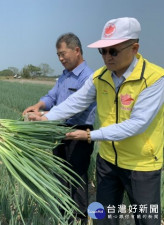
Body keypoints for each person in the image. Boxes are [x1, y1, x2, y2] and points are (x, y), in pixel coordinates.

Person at [28, 17, 164, 225]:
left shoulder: (154, 78)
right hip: (108, 162)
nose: (107, 57)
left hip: (141, 166)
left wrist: (91, 135)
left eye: (113, 51)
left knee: (147, 221)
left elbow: (138, 124)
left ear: (134, 48)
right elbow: (75, 102)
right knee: (103, 219)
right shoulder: (101, 77)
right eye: (103, 51)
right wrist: (45, 118)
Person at [23, 33, 96, 224]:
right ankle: (64, 212)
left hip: (79, 131)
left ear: (77, 50)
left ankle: (79, 216)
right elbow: (51, 96)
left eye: (63, 54)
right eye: (58, 55)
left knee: (77, 174)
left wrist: (45, 117)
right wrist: (39, 106)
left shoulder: (88, 77)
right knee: (61, 171)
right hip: (58, 130)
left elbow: (79, 107)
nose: (61, 58)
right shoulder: (63, 76)